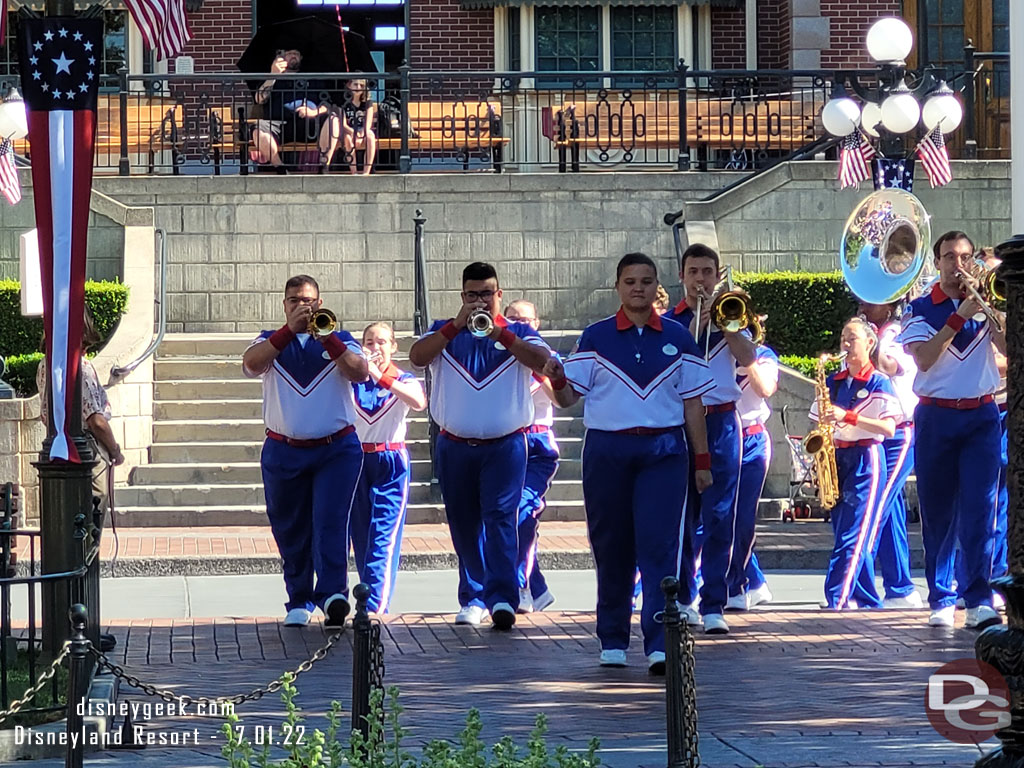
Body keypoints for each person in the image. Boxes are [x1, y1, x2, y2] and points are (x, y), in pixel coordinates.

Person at [545, 252, 713, 673]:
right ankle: (613, 638)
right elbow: (568, 399)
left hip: (663, 453)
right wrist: (555, 376)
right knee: (611, 545)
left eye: (646, 281)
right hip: (607, 451)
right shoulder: (596, 336)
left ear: (659, 288)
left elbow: (694, 405)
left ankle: (659, 641)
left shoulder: (679, 336)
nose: (638, 288)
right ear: (618, 286)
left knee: (661, 548)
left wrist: (702, 460)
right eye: (630, 281)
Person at [408, 263, 555, 631]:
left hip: (506, 445)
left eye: (486, 294)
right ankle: (473, 596)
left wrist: (502, 332)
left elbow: (544, 363)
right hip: (455, 445)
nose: (480, 301)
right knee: (464, 523)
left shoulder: (519, 332)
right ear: (462, 297)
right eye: (472, 295)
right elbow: (417, 357)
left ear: (498, 296)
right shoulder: (444, 331)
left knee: (503, 520)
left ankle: (503, 597)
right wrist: (456, 324)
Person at [242, 275, 369, 628]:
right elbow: (252, 364)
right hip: (284, 450)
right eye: (295, 300)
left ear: (320, 302)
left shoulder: (341, 339)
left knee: (330, 522)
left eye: (309, 301)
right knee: (290, 527)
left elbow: (360, 373)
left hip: (336, 449)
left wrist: (327, 338)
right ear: (285, 305)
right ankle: (298, 597)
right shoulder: (269, 341)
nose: (303, 306)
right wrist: (287, 332)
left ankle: (332, 595)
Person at [898, 231, 1005, 630]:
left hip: (981, 416)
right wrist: (959, 315)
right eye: (949, 258)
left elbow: (1011, 349)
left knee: (981, 508)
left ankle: (978, 596)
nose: (958, 266)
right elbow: (924, 359)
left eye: (964, 257)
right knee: (938, 509)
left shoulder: (988, 301)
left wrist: (992, 312)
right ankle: (941, 597)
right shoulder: (920, 308)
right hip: (936, 416)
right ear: (938, 262)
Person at [665, 244, 756, 635]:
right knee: (683, 516)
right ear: (682, 276)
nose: (700, 279)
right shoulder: (669, 322)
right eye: (693, 272)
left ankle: (714, 601)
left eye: (707, 272)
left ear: (717, 277)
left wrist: (726, 324)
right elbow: (674, 362)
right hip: (682, 424)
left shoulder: (731, 316)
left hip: (722, 423)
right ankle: (685, 598)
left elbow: (749, 357)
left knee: (721, 517)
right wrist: (698, 321)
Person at [809, 317, 900, 610]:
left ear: (870, 343)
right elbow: (815, 422)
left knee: (853, 532)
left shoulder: (879, 381)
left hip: (866, 457)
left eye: (853, 339)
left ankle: (836, 596)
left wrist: (848, 417)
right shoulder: (834, 382)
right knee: (842, 531)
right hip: (836, 457)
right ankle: (868, 598)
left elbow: (888, 429)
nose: (846, 345)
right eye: (843, 339)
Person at [351, 322, 427, 614]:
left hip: (390, 459)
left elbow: (419, 402)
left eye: (381, 342)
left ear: (393, 347)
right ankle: (365, 592)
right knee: (360, 534)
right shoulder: (352, 381)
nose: (375, 348)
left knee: (383, 532)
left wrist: (381, 377)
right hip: (357, 460)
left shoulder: (403, 378)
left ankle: (374, 605)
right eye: (369, 342)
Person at [858, 301, 923, 609]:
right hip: (873, 429)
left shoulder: (901, 330)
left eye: (871, 298)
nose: (863, 301)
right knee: (892, 508)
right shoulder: (864, 329)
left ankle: (858, 583)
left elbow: (887, 365)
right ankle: (900, 587)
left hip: (899, 430)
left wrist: (867, 340)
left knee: (876, 506)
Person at [36, 307, 126, 510]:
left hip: (55, 443)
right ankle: (90, 543)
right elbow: (96, 421)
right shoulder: (81, 368)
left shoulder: (45, 365)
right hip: (86, 446)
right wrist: (114, 450)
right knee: (96, 498)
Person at [505, 299, 558, 613]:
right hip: (506, 439)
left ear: (536, 324)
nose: (520, 324)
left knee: (524, 514)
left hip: (537, 440)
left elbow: (560, 397)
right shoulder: (499, 354)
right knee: (502, 518)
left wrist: (540, 371)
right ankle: (537, 588)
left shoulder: (547, 356)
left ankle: (522, 586)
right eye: (513, 319)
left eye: (525, 319)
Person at [725, 339, 778, 611]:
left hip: (752, 438)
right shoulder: (713, 350)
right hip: (721, 437)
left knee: (744, 517)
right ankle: (752, 581)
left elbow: (766, 388)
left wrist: (747, 359)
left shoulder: (764, 355)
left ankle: (737, 585)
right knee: (720, 515)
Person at [252, 49, 342, 174]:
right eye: (289, 53)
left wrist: (314, 112)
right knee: (258, 129)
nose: (293, 56)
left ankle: (324, 166)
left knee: (333, 119)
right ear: (282, 57)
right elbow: (259, 99)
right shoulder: (272, 78)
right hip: (279, 125)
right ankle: (280, 167)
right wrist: (273, 75)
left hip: (309, 125)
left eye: (296, 54)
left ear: (301, 58)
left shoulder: (312, 78)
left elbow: (327, 105)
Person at [341, 77, 377, 175]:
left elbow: (368, 124)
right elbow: (343, 124)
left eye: (361, 85)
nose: (358, 87)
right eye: (355, 84)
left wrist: (361, 135)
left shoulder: (368, 103)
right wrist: (353, 133)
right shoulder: (344, 103)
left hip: (363, 130)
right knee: (348, 138)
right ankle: (354, 171)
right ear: (349, 85)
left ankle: (366, 171)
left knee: (370, 136)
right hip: (349, 130)